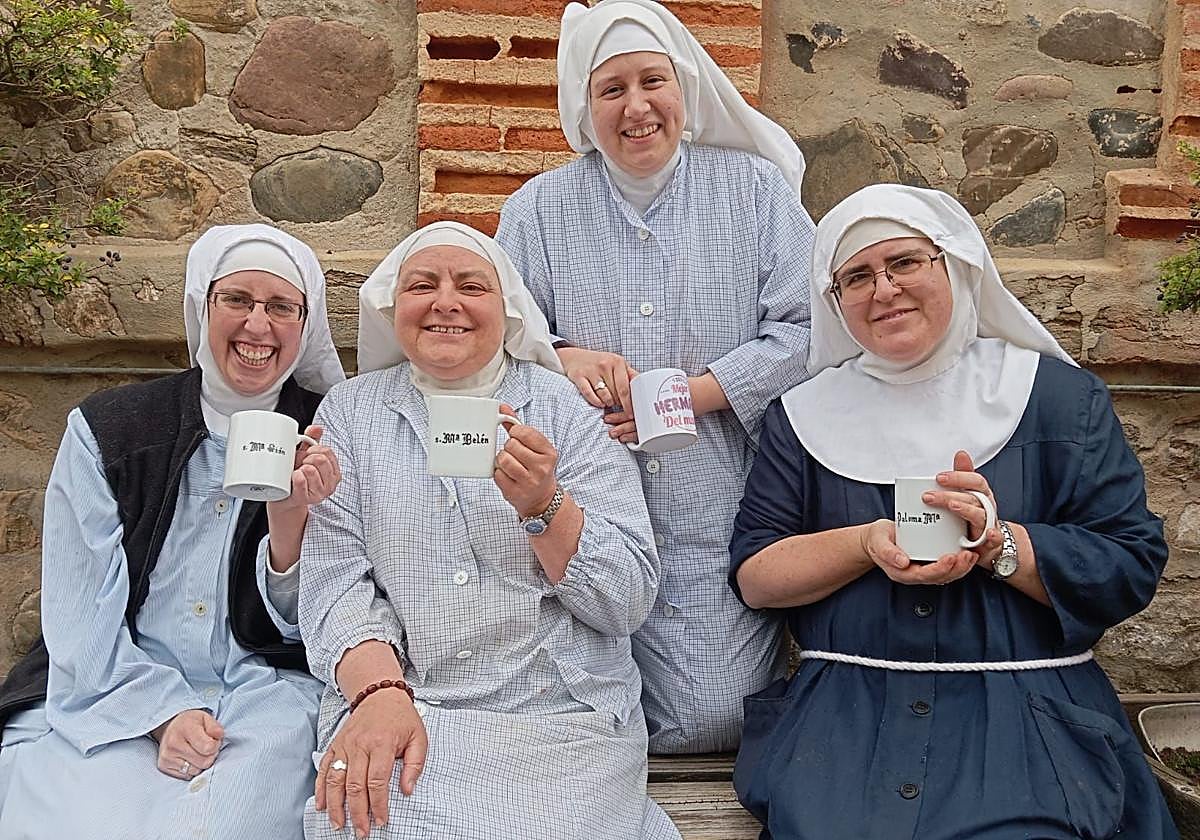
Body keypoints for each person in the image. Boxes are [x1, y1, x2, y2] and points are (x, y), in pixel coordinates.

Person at [729, 184, 1179, 839]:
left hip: (1029, 729)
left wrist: (1000, 546)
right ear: (836, 302)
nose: (883, 290)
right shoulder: (801, 419)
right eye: (856, 276)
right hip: (845, 733)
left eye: (905, 263)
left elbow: (1131, 566)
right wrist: (865, 543)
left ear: (955, 263)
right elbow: (756, 576)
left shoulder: (1057, 399)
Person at [496, 0, 815, 754]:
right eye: (612, 90)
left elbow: (810, 330)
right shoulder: (537, 209)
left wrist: (693, 394)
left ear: (685, 91)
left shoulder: (755, 191)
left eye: (652, 82)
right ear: (586, 107)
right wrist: (563, 358)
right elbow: (500, 339)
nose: (636, 107)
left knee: (710, 719)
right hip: (576, 498)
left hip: (712, 492)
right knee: (571, 711)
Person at [299, 221, 680, 840]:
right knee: (360, 820)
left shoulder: (566, 410)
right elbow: (337, 585)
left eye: (470, 286)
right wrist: (378, 694)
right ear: (395, 307)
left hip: (559, 711)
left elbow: (628, 600)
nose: (445, 302)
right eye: (423, 285)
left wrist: (544, 505)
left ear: (505, 309)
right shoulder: (351, 413)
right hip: (408, 696)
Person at [0, 224, 345, 839]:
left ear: (306, 322)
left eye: (281, 306)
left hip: (266, 692)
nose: (257, 326)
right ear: (201, 305)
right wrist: (159, 713)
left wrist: (291, 521)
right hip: (112, 684)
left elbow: (318, 616)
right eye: (236, 300)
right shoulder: (110, 428)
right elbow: (79, 610)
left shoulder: (331, 434)